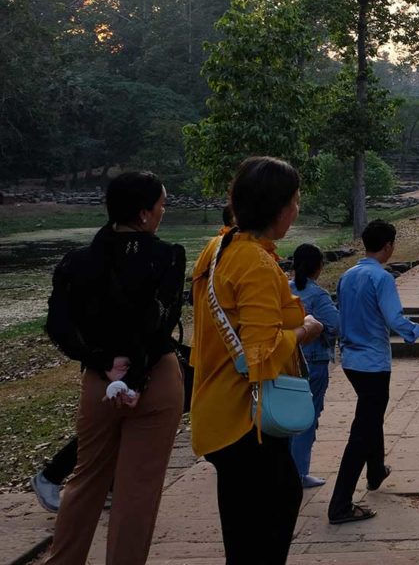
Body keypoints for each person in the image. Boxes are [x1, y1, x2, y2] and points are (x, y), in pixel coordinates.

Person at [42, 171, 187, 565]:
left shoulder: (76, 263)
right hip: (154, 380)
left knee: (86, 480)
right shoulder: (167, 257)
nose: (163, 211)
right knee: (137, 491)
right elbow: (156, 323)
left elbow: (59, 326)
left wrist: (102, 362)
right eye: (161, 204)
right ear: (143, 214)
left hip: (99, 382)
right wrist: (134, 373)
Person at [190, 156, 322, 565]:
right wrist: (304, 331)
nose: (297, 209)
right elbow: (260, 354)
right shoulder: (256, 263)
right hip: (246, 421)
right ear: (280, 208)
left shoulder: (218, 247)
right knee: (267, 525)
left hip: (216, 408)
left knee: (243, 532)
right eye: (296, 201)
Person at [331, 219, 419, 524]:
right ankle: (340, 503)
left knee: (371, 416)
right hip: (372, 362)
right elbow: (395, 321)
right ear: (388, 246)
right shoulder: (381, 278)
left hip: (351, 361)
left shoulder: (347, 276)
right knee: (362, 430)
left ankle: (375, 472)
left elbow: (341, 318)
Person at [288, 243, 340, 488]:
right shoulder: (318, 295)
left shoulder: (284, 289)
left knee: (286, 417)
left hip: (288, 360)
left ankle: (285, 469)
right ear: (318, 266)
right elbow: (335, 324)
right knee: (308, 417)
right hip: (314, 362)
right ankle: (299, 471)